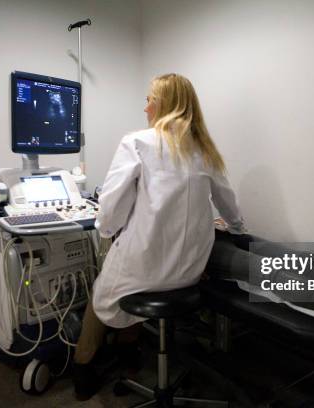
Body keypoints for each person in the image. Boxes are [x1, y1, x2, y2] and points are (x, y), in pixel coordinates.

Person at [73, 73, 245, 400]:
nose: (145, 108)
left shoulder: (138, 142)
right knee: (133, 272)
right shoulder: (205, 152)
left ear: (164, 103)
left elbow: (109, 212)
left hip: (146, 270)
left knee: (101, 293)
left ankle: (83, 371)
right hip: (189, 274)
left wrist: (107, 232)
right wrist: (235, 228)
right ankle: (129, 354)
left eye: (149, 99)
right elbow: (230, 204)